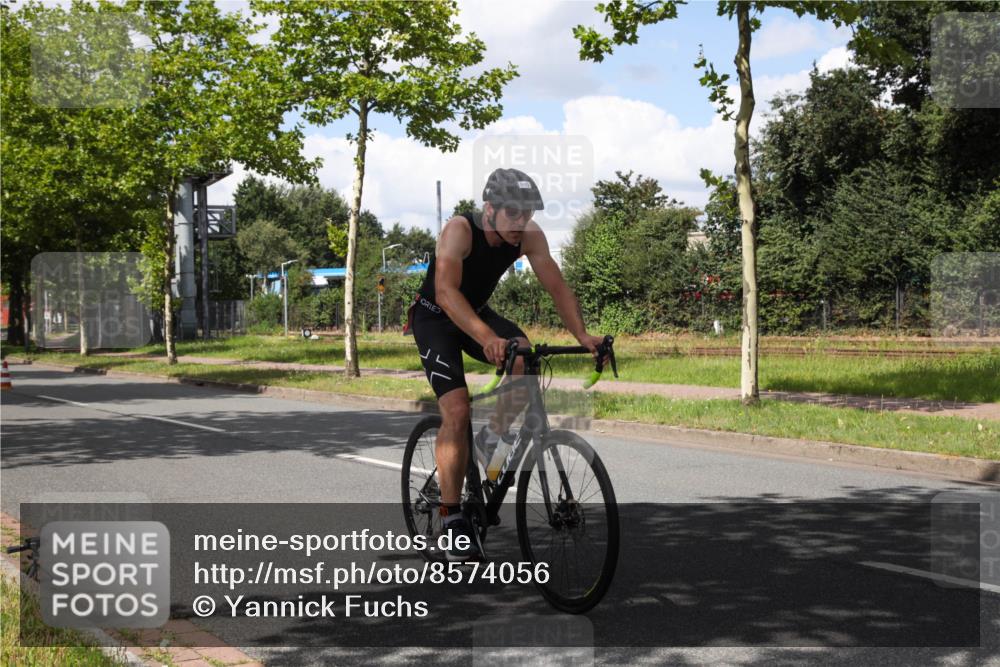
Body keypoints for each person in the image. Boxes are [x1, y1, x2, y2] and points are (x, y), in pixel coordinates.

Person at [408, 168, 606, 561]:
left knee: (524, 360)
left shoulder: (529, 237)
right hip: (435, 318)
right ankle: (451, 519)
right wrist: (488, 339)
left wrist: (583, 336)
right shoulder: (459, 231)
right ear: (489, 209)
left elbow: (556, 285)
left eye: (527, 214)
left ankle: (490, 440)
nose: (521, 223)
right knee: (457, 408)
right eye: (513, 214)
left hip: (476, 313)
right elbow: (447, 294)